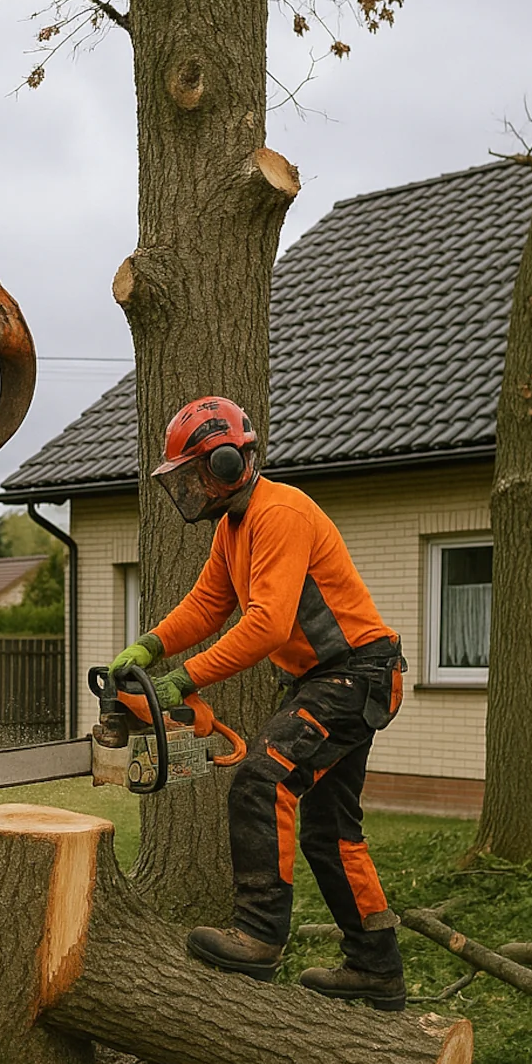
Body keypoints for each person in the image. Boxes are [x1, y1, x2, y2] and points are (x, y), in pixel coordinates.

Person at [110, 396, 407, 1011]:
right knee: (332, 833)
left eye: (197, 470)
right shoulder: (233, 527)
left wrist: (182, 681)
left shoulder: (281, 512)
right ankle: (376, 968)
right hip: (328, 680)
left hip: (355, 674)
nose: (191, 485)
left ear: (227, 462)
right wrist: (150, 646)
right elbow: (207, 606)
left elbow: (268, 625)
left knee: (260, 779)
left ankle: (260, 936)